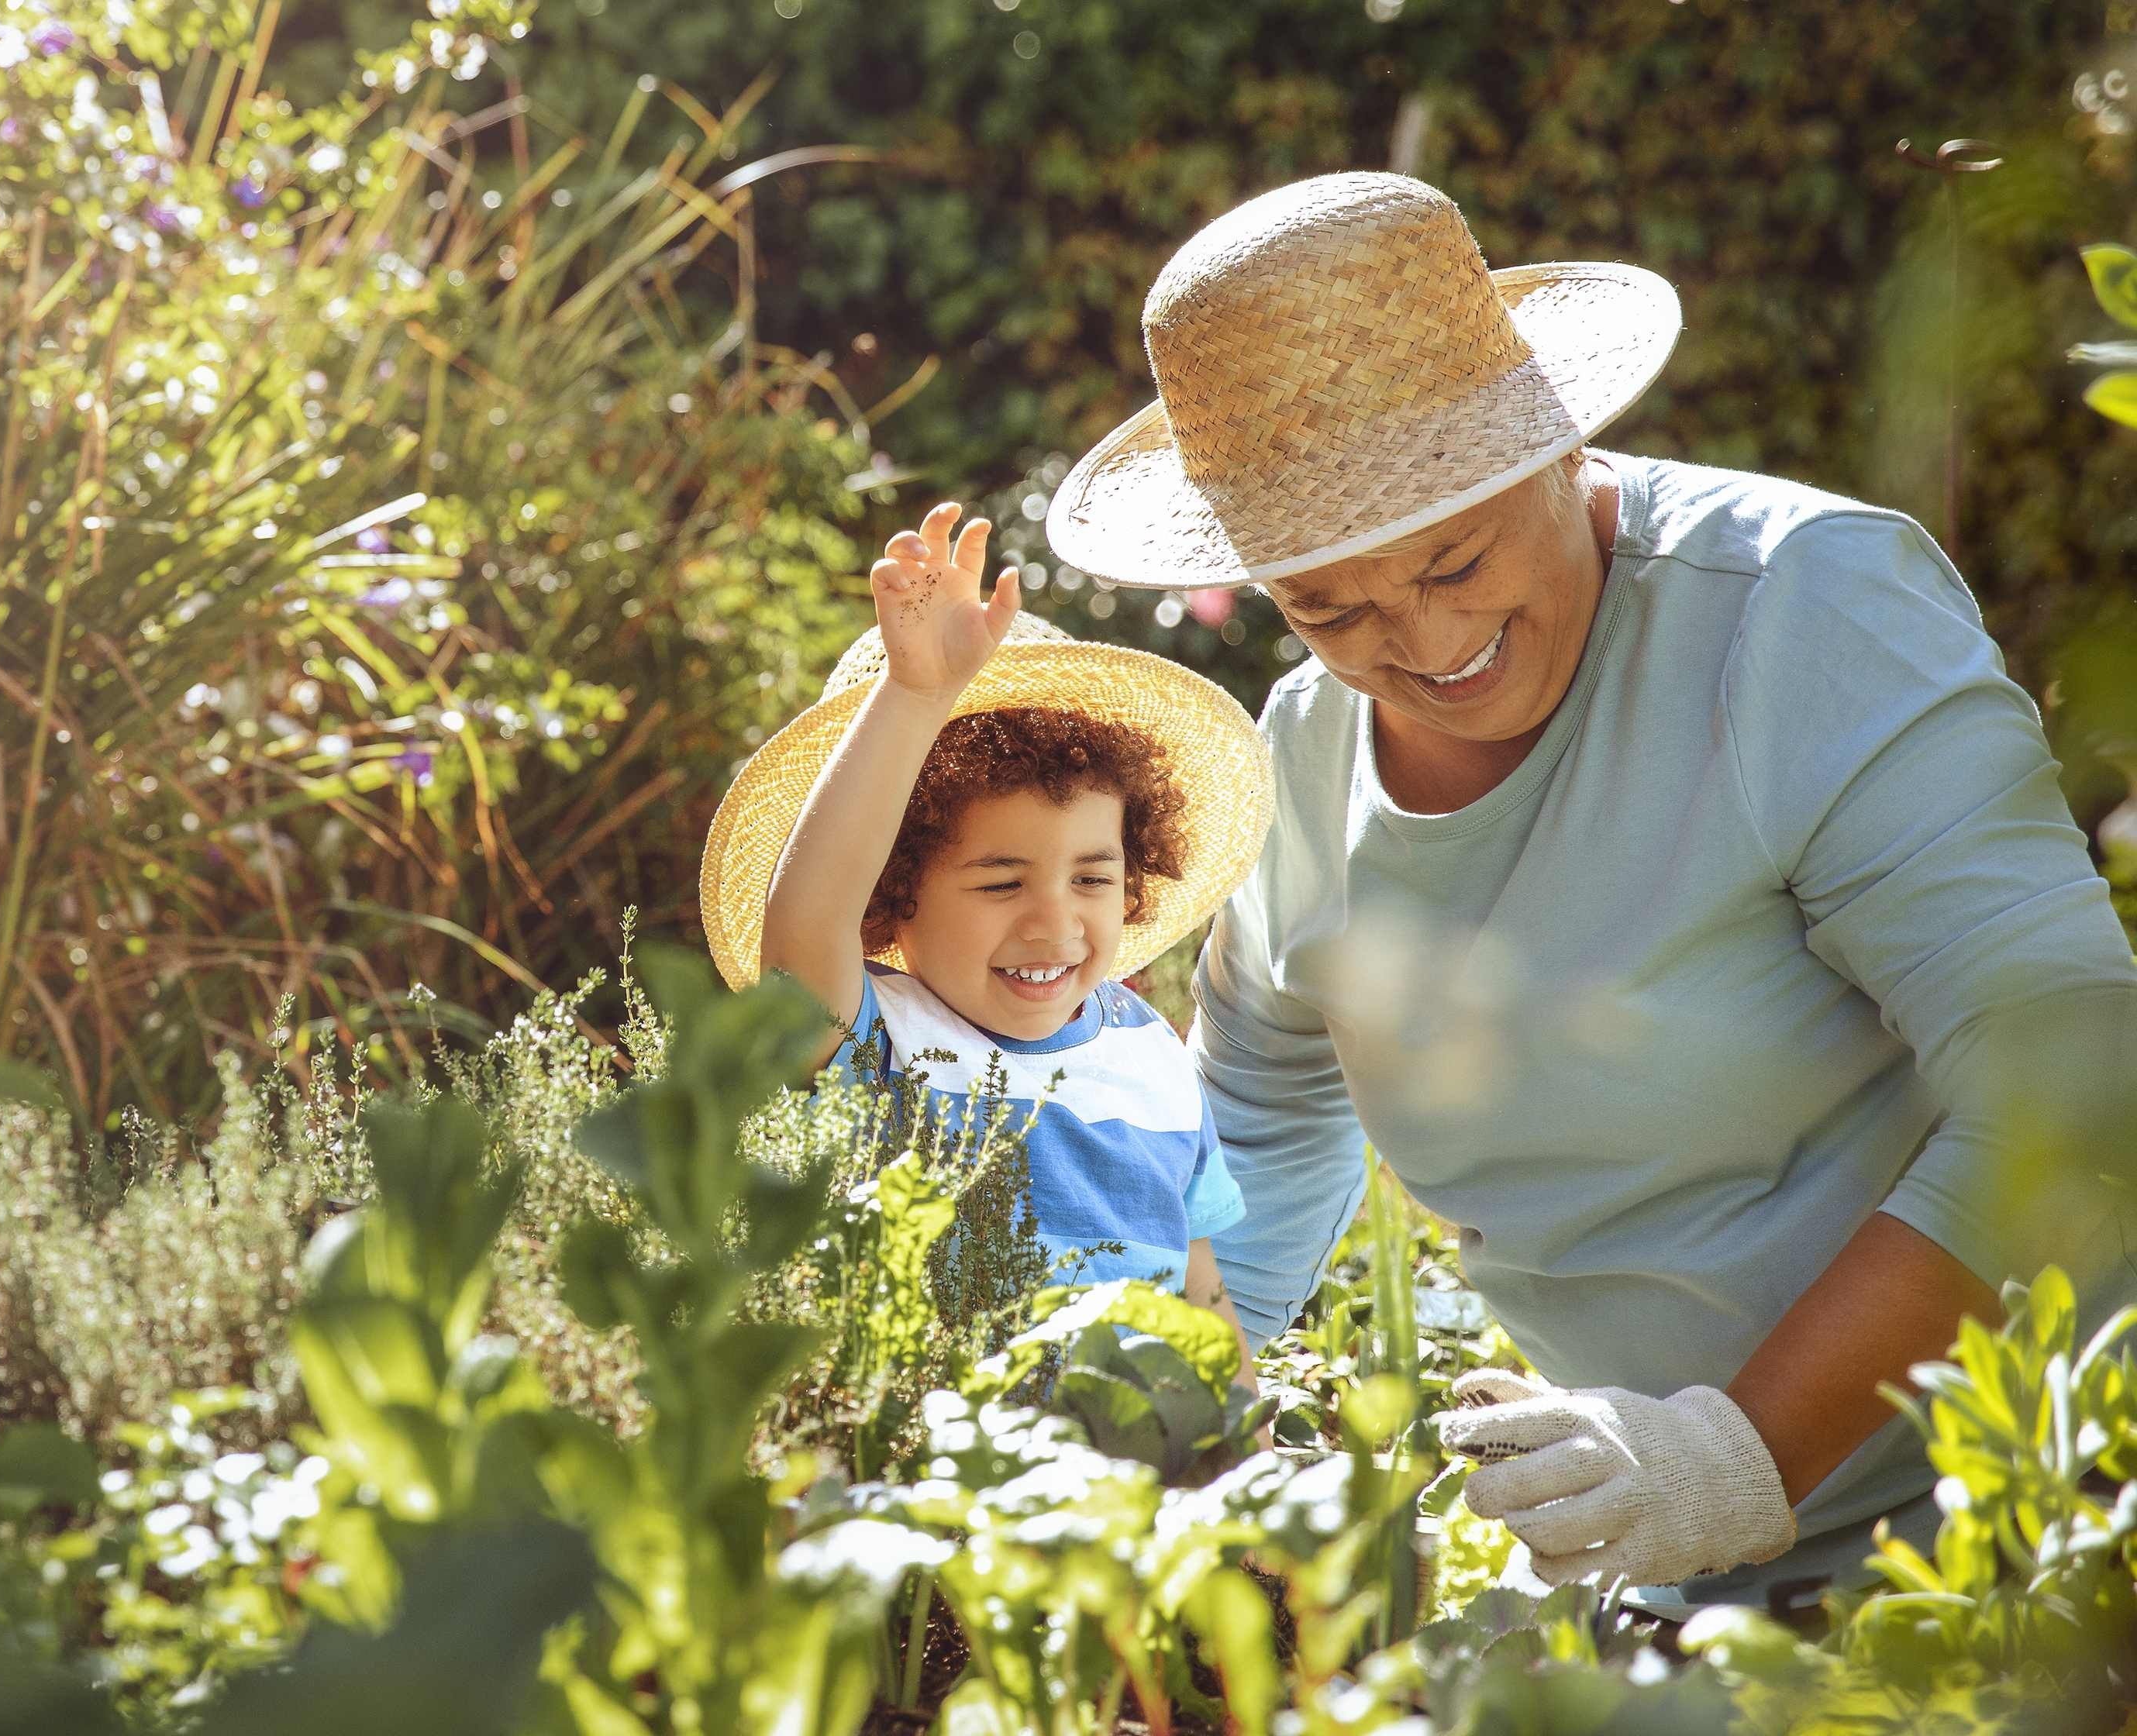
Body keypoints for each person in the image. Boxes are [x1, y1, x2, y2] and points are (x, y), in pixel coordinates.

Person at [1045, 170, 2137, 1614]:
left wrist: (1730, 1455)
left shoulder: (1799, 611)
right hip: (1675, 1579)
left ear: (1558, 443)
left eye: (1455, 558)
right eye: (1331, 607)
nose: (1425, 641)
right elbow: (1263, 1116)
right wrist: (1171, 1414)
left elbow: (2075, 1085)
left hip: (2044, 1523)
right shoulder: (1302, 762)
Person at [697, 503, 1274, 1344]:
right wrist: (915, 694)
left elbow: (1201, 1290)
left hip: (1141, 1460)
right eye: (1001, 882)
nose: (1055, 920)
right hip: (949, 1463)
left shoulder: (1150, 1052)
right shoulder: (877, 1039)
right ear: (890, 894)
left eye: (1092, 876)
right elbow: (806, 921)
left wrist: (1247, 1454)